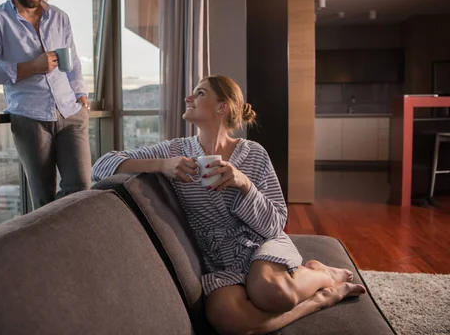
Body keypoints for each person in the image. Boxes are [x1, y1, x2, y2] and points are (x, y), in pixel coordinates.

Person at [91, 75, 366, 334]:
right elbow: (101, 166)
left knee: (270, 291)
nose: (188, 98)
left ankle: (321, 274)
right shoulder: (174, 151)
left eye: (199, 93)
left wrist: (244, 184)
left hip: (260, 244)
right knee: (227, 319)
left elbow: (275, 225)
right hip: (219, 260)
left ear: (222, 107)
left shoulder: (254, 154)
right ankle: (321, 299)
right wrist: (162, 165)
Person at [0, 0, 91, 209]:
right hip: (30, 118)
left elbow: (72, 65)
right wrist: (31, 66)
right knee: (44, 198)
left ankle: (73, 244)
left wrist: (81, 97)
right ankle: (51, 248)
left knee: (81, 189)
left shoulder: (59, 17)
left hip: (70, 113)